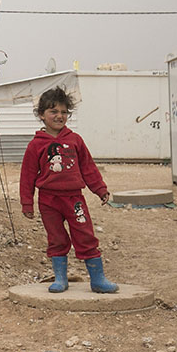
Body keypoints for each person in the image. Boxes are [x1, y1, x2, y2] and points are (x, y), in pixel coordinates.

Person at [19, 86, 119, 294]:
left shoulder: (75, 140)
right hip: (48, 201)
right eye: (53, 111)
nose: (59, 116)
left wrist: (100, 189)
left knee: (85, 235)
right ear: (41, 115)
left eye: (64, 112)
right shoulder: (35, 145)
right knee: (56, 237)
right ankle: (60, 279)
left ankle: (98, 279)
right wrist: (27, 203)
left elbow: (88, 168)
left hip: (74, 200)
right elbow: (27, 176)